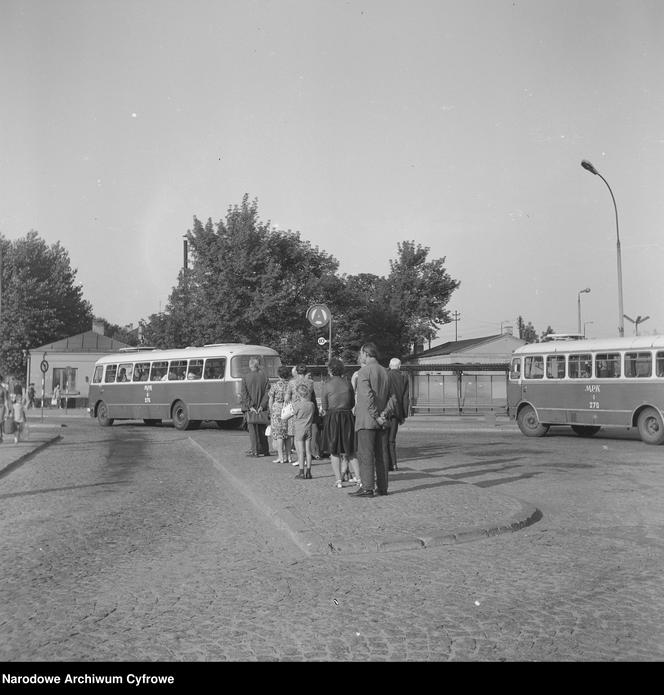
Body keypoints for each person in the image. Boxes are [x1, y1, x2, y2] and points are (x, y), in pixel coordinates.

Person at [349, 342, 393, 499]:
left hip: (367, 420)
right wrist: (384, 415)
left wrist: (376, 416)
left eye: (361, 353)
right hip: (382, 420)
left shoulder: (364, 372)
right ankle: (383, 487)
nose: (360, 356)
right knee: (382, 455)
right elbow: (393, 397)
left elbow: (367, 397)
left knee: (366, 455)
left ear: (366, 354)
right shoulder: (385, 371)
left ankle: (367, 487)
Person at [321, 357, 360, 489]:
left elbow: (325, 406)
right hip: (347, 416)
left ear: (330, 370)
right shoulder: (347, 383)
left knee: (334, 450)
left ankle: (338, 480)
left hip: (333, 417)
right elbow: (352, 402)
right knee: (351, 449)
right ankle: (359, 478)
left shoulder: (327, 384)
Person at [284, 364, 316, 465]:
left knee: (297, 437)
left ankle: (300, 459)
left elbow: (287, 397)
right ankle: (307, 459)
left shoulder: (292, 382)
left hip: (296, 410)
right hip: (308, 410)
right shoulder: (311, 382)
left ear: (296, 372)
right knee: (307, 437)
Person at [240, 356, 271, 457]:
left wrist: (250, 406)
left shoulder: (245, 377)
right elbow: (267, 393)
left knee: (252, 430)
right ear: (258, 366)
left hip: (251, 408)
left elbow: (244, 394)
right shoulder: (265, 377)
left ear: (250, 365)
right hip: (262, 407)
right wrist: (262, 405)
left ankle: (255, 451)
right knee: (262, 429)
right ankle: (265, 450)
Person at [386, 357, 410, 472]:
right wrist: (404, 414)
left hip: (385, 411)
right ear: (399, 366)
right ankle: (394, 463)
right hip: (397, 412)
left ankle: (386, 463)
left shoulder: (386, 375)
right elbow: (405, 398)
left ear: (390, 365)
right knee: (392, 439)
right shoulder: (404, 377)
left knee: (384, 438)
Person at [268, 365, 292, 463]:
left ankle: (281, 457)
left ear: (279, 374)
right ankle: (289, 456)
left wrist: (271, 411)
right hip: (288, 409)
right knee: (288, 434)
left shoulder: (275, 385)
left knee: (279, 435)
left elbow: (270, 399)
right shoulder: (290, 384)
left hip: (277, 409)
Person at [292, 382, 315, 479]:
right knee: (308, 451)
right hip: (308, 428)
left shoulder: (297, 405)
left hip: (299, 429)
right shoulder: (311, 404)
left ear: (298, 394)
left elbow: (293, 414)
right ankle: (309, 472)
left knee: (301, 452)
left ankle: (301, 472)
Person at [0, 375, 9, 443]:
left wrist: (7, 409)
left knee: (0, 421)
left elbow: (6, 399)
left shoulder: (3, 389)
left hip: (1, 406)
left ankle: (0, 436)